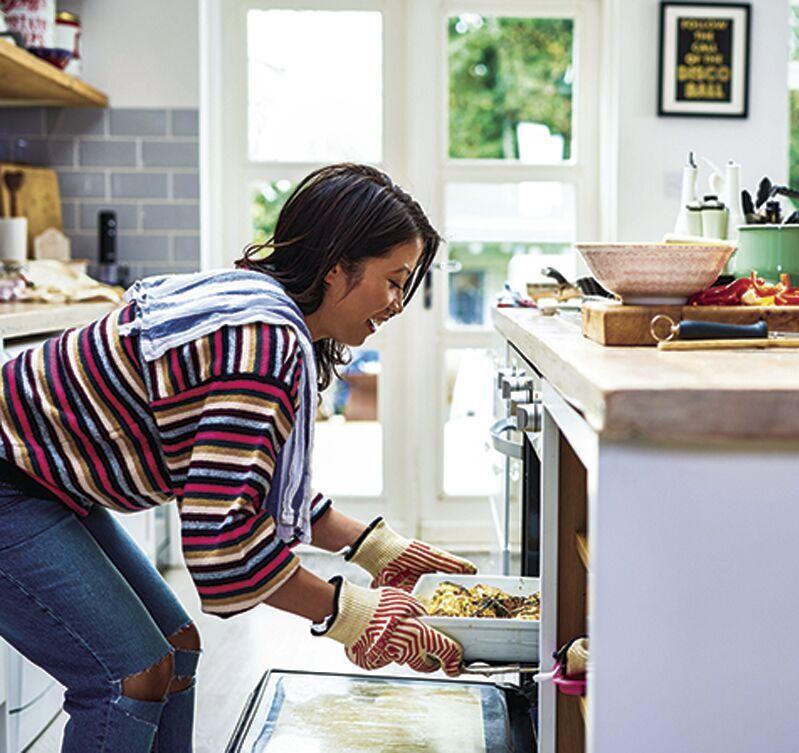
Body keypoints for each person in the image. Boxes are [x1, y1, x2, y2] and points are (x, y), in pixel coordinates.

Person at [0, 163, 478, 753]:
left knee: (176, 648)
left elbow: (248, 480)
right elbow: (223, 551)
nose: (399, 302)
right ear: (337, 267)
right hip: (11, 481)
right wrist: (352, 613)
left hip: (43, 481)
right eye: (394, 279)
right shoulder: (263, 344)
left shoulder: (262, 309)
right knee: (129, 678)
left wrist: (377, 550)